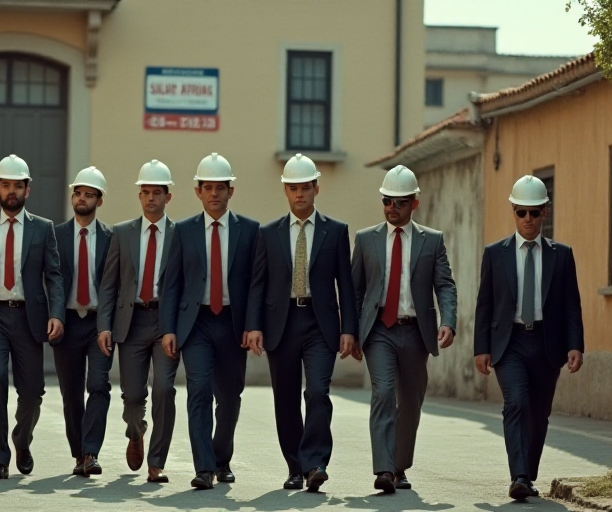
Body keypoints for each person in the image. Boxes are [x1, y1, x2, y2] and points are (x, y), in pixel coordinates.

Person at [244, 154, 359, 492]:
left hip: (320, 324)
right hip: (281, 323)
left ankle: (316, 462)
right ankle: (296, 467)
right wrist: (254, 326)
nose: (299, 194)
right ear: (285, 190)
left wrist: (348, 328)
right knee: (286, 397)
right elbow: (258, 284)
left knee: (318, 392)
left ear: (316, 188)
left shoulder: (335, 231)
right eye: (292, 188)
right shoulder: (268, 233)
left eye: (305, 188)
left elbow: (346, 285)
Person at [474, 175, 584, 500]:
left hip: (548, 344)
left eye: (534, 213)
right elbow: (485, 305)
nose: (527, 219)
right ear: (513, 211)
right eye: (521, 212)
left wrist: (575, 344)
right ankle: (518, 476)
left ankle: (528, 472)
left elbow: (571, 305)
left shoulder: (561, 255)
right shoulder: (496, 254)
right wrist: (482, 348)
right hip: (510, 344)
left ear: (544, 213)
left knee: (539, 414)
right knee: (516, 403)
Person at [0, 154, 65, 480]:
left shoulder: (43, 229)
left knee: (32, 392)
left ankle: (22, 438)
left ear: (27, 190)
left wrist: (57, 314)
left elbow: (55, 275)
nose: (12, 191)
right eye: (6, 185)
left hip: (29, 317)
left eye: (18, 185)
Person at [351, 165, 458, 493]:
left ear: (415, 203)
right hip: (378, 330)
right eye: (387, 201)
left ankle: (399, 466)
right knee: (382, 391)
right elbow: (355, 289)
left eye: (399, 202)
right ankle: (383, 470)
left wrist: (448, 321)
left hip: (415, 332)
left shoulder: (432, 241)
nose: (391, 208)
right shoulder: (366, 240)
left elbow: (445, 286)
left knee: (410, 401)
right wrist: (351, 333)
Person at [160, 153, 259, 489]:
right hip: (196, 324)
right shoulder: (184, 231)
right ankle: (204, 467)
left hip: (233, 325)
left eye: (221, 187)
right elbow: (170, 284)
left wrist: (252, 323)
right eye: (208, 187)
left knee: (230, 396)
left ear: (231, 191)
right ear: (198, 191)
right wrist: (169, 328)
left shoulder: (250, 231)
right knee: (198, 392)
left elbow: (257, 284)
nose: (214, 193)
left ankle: (221, 458)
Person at [97, 160, 178, 484]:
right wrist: (104, 325)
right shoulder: (123, 232)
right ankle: (136, 431)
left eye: (156, 193)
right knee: (132, 395)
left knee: (164, 389)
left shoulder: (179, 234)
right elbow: (109, 284)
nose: (150, 199)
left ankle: (157, 461)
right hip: (130, 322)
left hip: (165, 322)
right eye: (144, 192)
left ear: (167, 197)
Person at [51, 167, 113, 476]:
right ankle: (78, 453)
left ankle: (91, 453)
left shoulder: (112, 238)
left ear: (99, 201)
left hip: (99, 326)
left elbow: (113, 285)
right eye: (78, 193)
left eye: (89, 195)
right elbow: (51, 280)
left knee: (99, 385)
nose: (82, 199)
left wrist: (107, 325)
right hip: (68, 323)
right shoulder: (56, 235)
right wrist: (55, 316)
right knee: (71, 392)